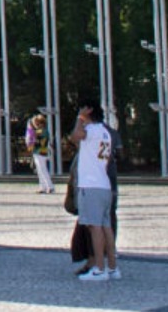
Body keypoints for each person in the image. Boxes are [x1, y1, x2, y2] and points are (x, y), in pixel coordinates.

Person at [69, 102, 119, 282]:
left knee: (94, 228)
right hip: (104, 184)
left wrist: (79, 118)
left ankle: (99, 268)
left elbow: (75, 136)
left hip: (91, 186)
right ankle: (112, 267)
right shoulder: (106, 132)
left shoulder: (92, 130)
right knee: (106, 227)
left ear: (88, 111)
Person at [26, 114, 54, 193]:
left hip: (41, 152)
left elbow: (32, 135)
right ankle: (42, 187)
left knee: (43, 170)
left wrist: (30, 128)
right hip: (38, 151)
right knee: (39, 170)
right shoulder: (42, 130)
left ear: (41, 123)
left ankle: (50, 186)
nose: (36, 125)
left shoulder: (43, 130)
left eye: (37, 123)